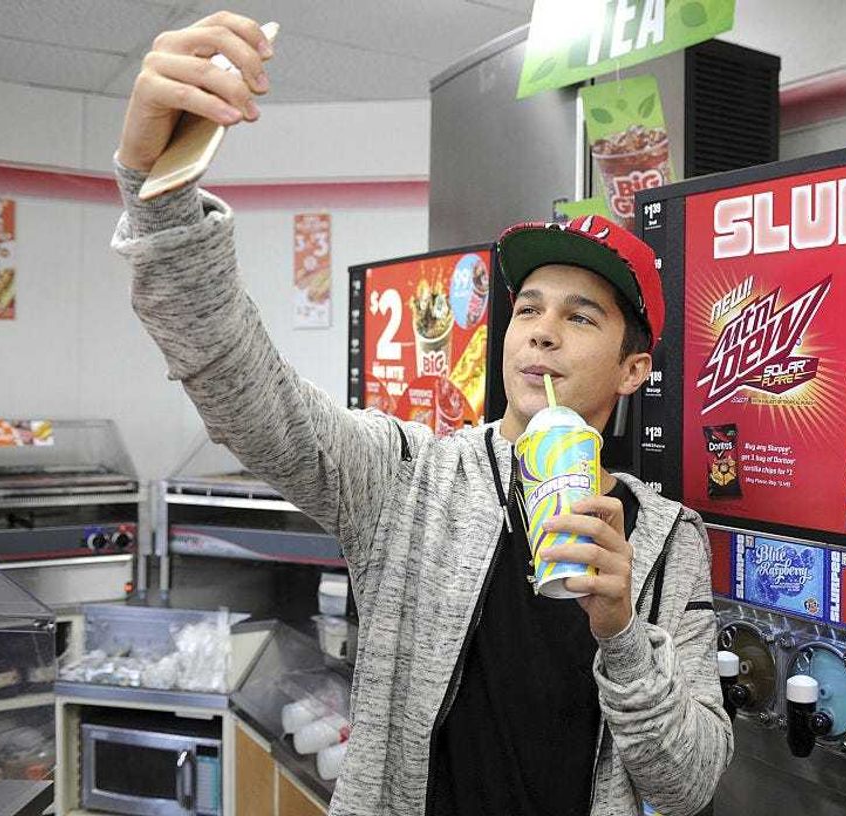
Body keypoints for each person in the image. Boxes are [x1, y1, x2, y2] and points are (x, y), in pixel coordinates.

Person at [112, 11, 732, 816]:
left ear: (633, 368)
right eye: (529, 309)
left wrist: (619, 634)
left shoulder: (667, 541)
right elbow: (243, 389)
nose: (541, 329)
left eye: (581, 317)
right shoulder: (409, 478)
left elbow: (686, 787)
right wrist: (157, 194)